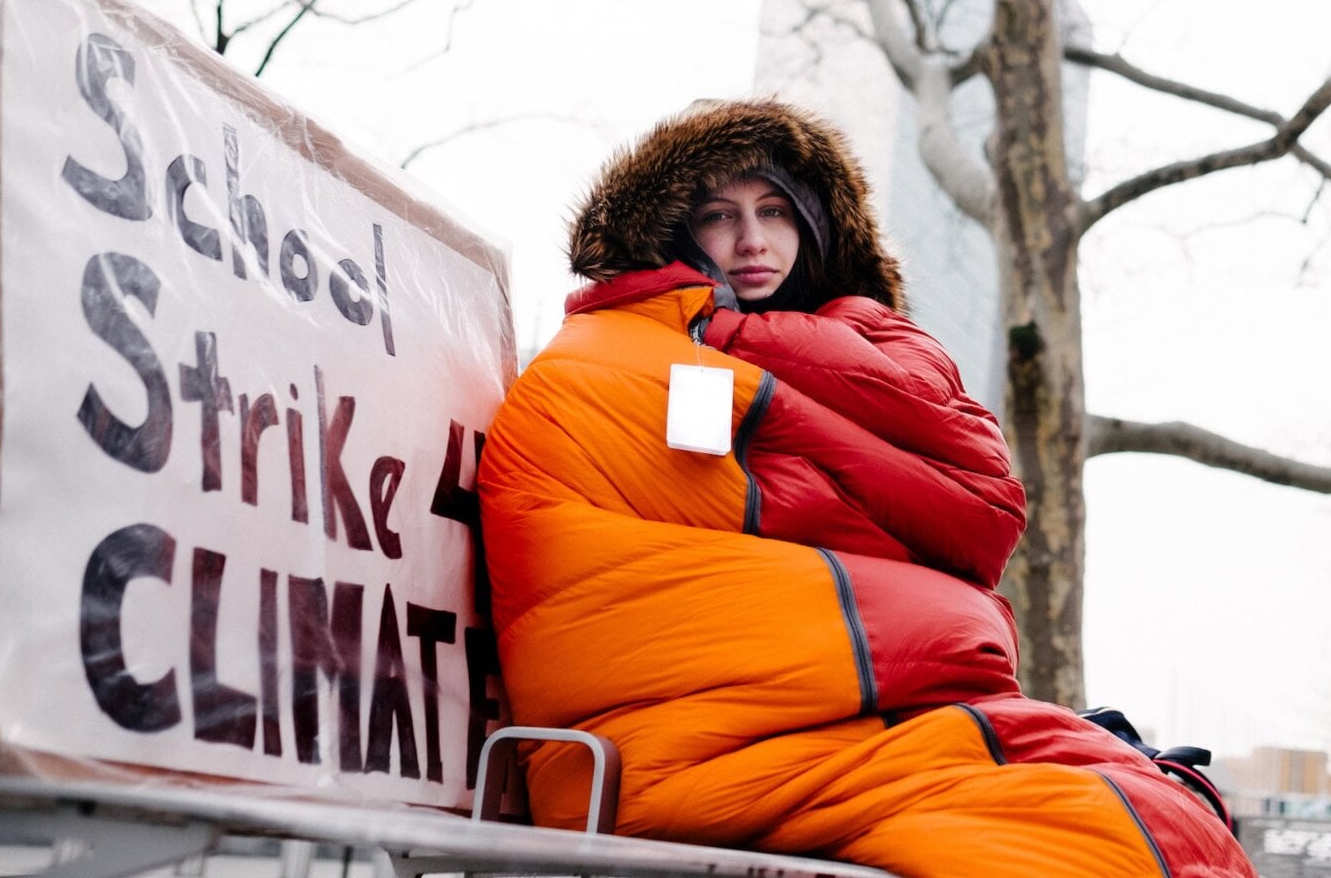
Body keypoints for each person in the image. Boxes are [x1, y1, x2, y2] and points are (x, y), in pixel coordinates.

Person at [477, 98, 1254, 877]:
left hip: (878, 719)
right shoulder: (605, 365)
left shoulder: (859, 352)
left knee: (1160, 808)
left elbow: (973, 517)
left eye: (775, 211)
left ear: (814, 228)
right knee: (1102, 837)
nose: (753, 240)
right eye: (719, 215)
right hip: (699, 757)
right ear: (677, 231)